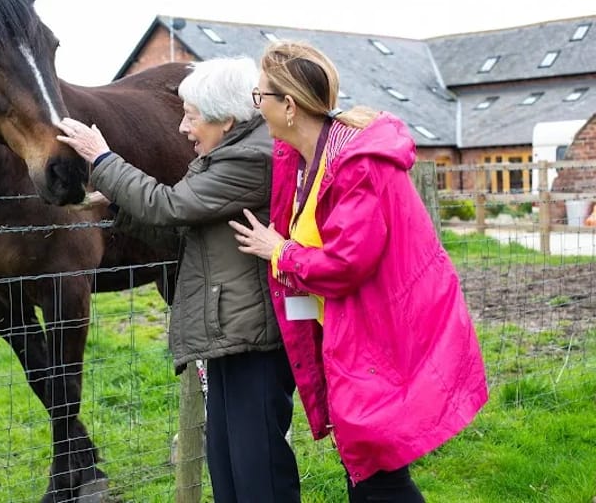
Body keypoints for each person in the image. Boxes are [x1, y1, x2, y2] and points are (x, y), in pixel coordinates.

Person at [229, 41, 488, 503]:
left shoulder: (356, 165)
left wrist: (281, 252)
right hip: (358, 331)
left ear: (288, 105)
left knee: (377, 475)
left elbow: (348, 262)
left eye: (260, 98)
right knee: (364, 468)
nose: (257, 109)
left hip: (386, 331)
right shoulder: (308, 159)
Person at [56, 57, 301, 503]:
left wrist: (103, 159)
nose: (184, 128)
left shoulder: (248, 159)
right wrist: (116, 202)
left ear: (226, 118)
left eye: (191, 116)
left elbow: (169, 207)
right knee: (227, 463)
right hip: (230, 330)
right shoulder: (223, 155)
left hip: (252, 336)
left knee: (257, 469)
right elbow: (180, 232)